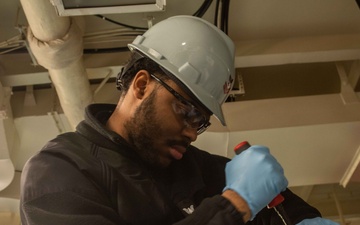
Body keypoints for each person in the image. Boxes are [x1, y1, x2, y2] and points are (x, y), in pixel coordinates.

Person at [20, 15, 339, 225]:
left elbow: (280, 210)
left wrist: (302, 218)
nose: (193, 133)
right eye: (188, 112)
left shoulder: (198, 169)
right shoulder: (58, 170)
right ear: (142, 85)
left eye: (201, 121)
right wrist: (234, 206)